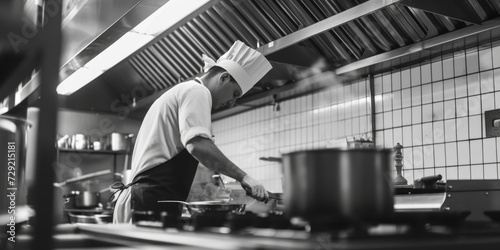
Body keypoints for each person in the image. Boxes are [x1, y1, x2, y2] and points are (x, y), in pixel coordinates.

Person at [113, 40, 273, 223]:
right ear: (224, 78)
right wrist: (244, 177)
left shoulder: (186, 91)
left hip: (147, 200)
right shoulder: (197, 91)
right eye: (235, 93)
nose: (231, 103)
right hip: (149, 202)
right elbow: (198, 145)